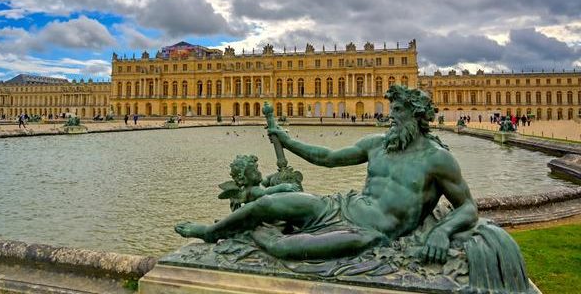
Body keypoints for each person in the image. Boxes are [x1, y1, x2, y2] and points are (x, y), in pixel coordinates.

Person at [176, 85, 478, 262]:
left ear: (417, 114)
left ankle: (254, 235)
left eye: (398, 110)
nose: (391, 116)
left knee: (282, 248)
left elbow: (467, 207)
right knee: (269, 205)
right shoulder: (378, 145)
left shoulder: (438, 159)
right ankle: (211, 232)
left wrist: (441, 231)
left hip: (370, 233)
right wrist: (287, 139)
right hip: (340, 207)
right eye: (392, 109)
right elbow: (328, 157)